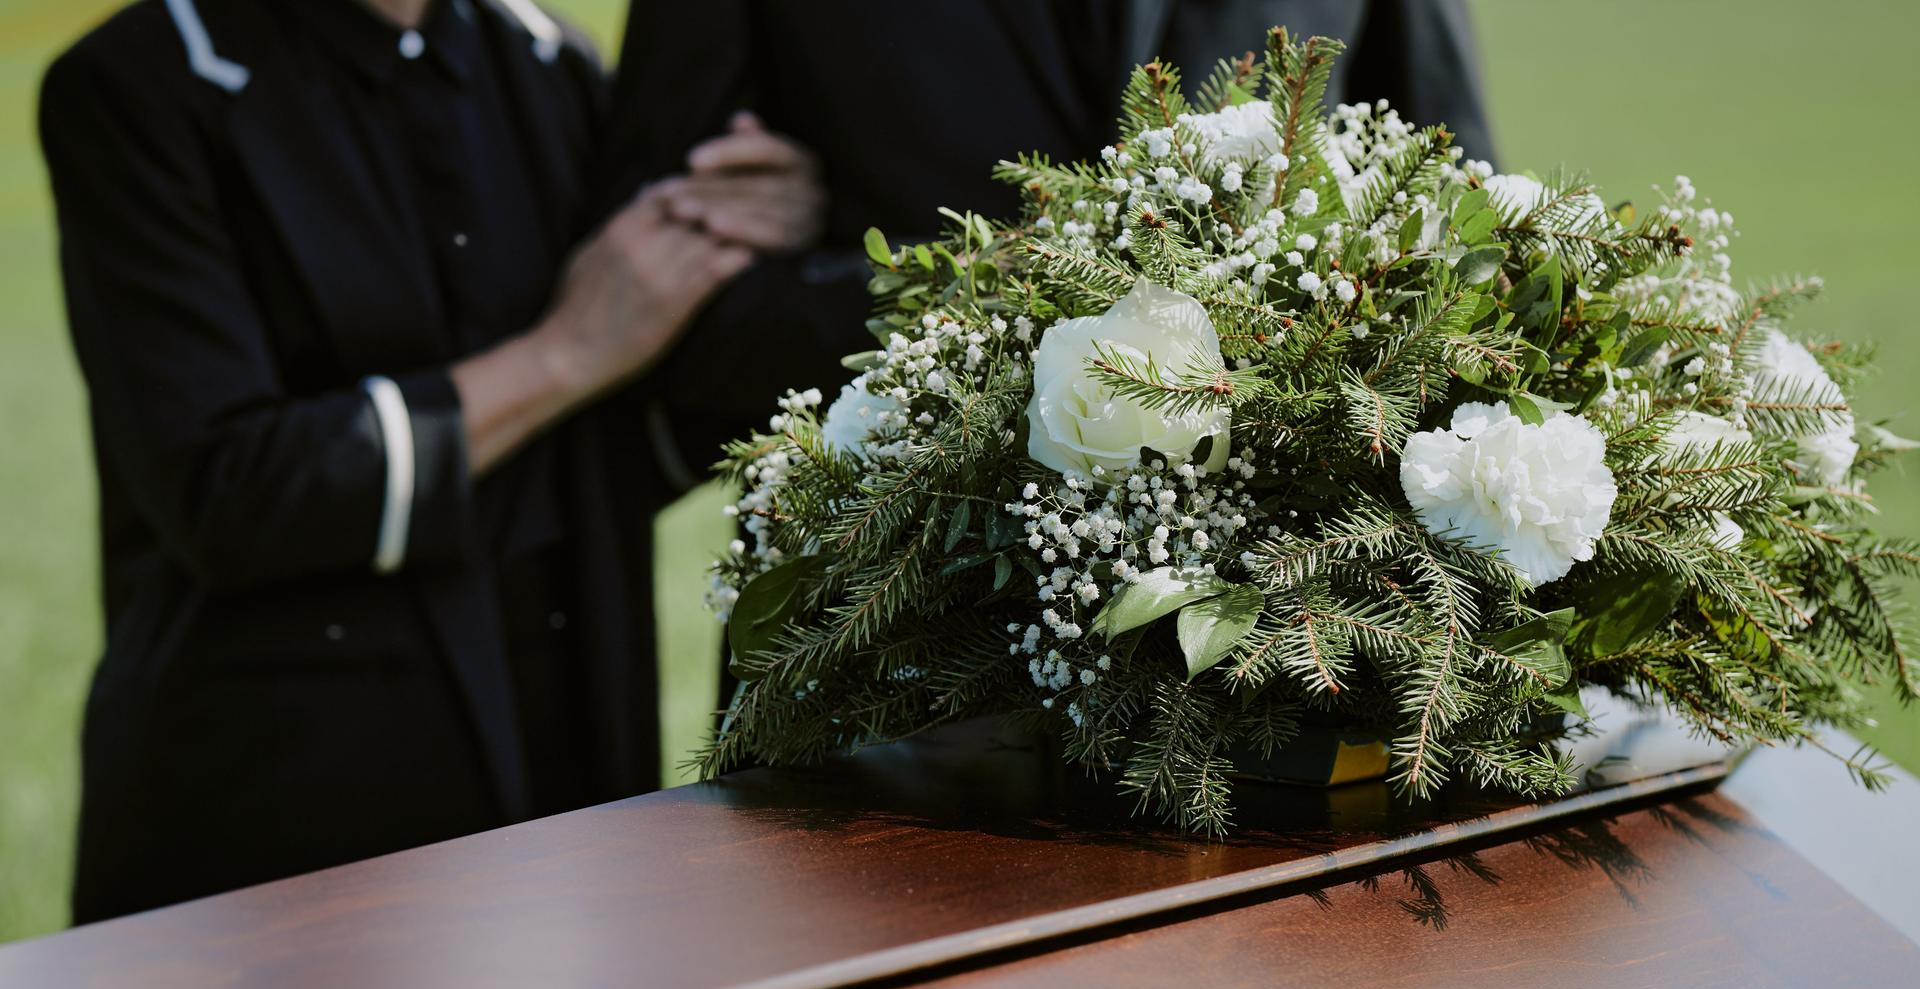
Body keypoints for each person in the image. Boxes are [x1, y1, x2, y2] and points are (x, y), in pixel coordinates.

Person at [38, 0, 823, 923]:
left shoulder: (551, 61)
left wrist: (759, 220)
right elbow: (226, 493)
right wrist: (563, 352)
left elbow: (614, 433)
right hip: (279, 836)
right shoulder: (142, 81)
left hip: (567, 787)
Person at [603, 0, 1498, 480]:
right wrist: (995, 311)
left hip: (1283, 647)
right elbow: (657, 302)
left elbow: (1461, 250)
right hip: (877, 658)